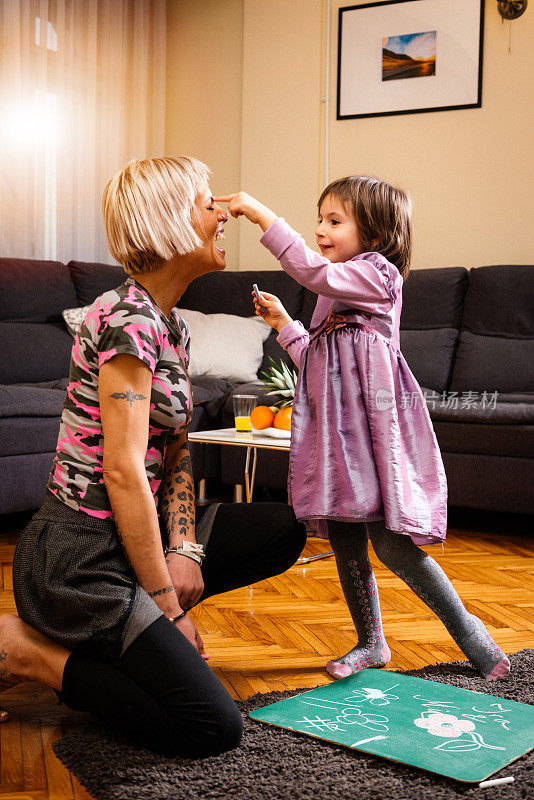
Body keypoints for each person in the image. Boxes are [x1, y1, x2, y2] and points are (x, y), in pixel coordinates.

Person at [3, 157, 306, 756]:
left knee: (285, 528)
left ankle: (138, 629)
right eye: (206, 203)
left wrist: (183, 550)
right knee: (210, 727)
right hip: (80, 559)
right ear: (167, 222)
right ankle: (28, 653)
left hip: (130, 542)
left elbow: (175, 449)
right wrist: (168, 610)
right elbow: (121, 470)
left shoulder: (172, 326)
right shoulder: (125, 320)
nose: (223, 213)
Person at [214, 178, 511, 682]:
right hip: (338, 444)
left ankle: (472, 635)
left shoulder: (378, 276)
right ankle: (371, 642)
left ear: (373, 228)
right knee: (346, 538)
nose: (321, 229)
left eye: (335, 220)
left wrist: (262, 215)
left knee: (392, 545)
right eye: (320, 218)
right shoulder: (332, 295)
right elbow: (315, 358)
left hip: (371, 440)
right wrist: (285, 322)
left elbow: (312, 270)